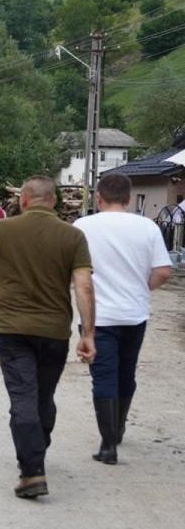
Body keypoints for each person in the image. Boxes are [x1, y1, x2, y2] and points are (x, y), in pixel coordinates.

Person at [0, 176, 95, 499]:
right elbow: (83, 286)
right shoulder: (73, 236)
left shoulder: (3, 229)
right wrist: (89, 334)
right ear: (53, 202)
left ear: (23, 200)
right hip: (55, 332)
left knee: (23, 398)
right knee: (43, 397)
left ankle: (31, 472)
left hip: (12, 330)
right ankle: (36, 452)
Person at [73, 173, 174, 465]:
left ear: (98, 197)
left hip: (98, 315)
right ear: (129, 199)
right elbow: (164, 270)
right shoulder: (147, 227)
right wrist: (143, 287)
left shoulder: (82, 227)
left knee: (103, 377)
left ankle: (108, 445)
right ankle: (118, 428)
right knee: (126, 374)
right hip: (134, 314)